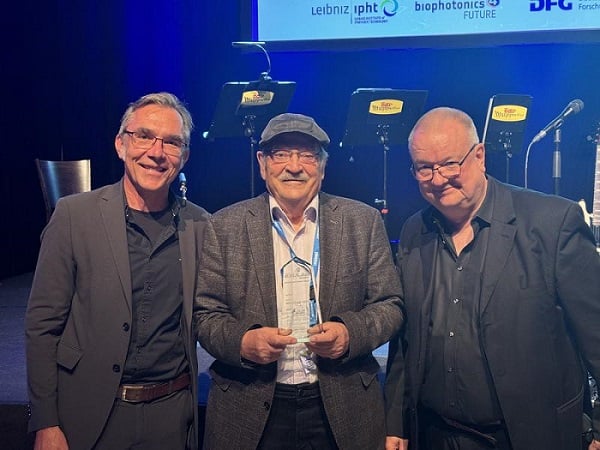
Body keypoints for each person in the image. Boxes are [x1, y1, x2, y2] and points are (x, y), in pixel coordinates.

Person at [384, 106, 600, 450]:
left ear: (480, 156)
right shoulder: (414, 231)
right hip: (434, 435)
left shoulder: (552, 223)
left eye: (450, 164)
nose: (439, 179)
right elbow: (405, 340)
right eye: (425, 169)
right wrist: (395, 420)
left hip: (530, 437)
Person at [194, 112, 404, 449]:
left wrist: (350, 334)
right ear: (263, 164)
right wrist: (243, 342)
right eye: (281, 154)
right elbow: (205, 315)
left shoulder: (362, 222)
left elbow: (390, 306)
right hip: (250, 405)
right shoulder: (224, 225)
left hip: (341, 405)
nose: (294, 166)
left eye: (307, 154)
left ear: (322, 166)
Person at [25, 92, 210, 450]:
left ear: (184, 157)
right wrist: (45, 421)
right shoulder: (73, 216)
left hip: (171, 416)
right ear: (120, 145)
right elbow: (42, 325)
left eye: (171, 142)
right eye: (143, 136)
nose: (156, 152)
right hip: (90, 414)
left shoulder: (201, 224)